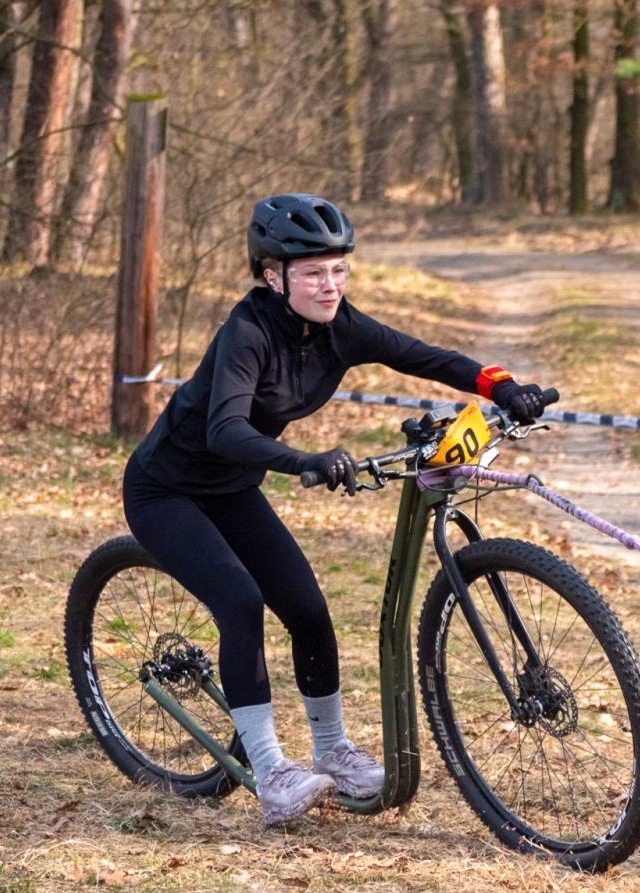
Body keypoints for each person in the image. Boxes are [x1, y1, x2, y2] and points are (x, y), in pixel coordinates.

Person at [123, 193, 553, 827]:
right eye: (313, 273)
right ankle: (271, 774)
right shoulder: (246, 334)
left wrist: (501, 384)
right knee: (241, 604)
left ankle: (332, 752)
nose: (330, 285)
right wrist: (305, 460)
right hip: (166, 490)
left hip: (232, 489)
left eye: (339, 269)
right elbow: (224, 431)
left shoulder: (340, 326)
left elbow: (425, 355)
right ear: (273, 277)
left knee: (307, 608)